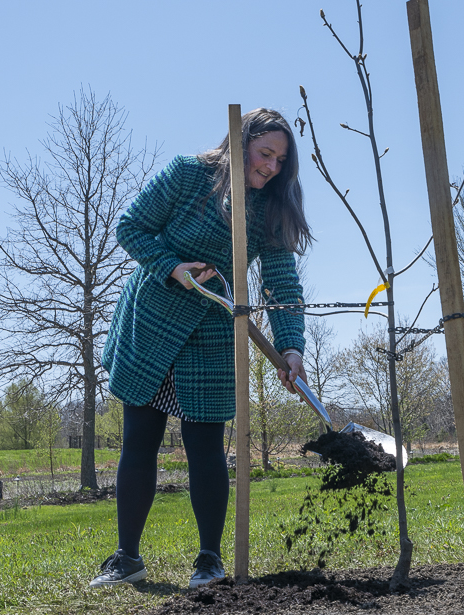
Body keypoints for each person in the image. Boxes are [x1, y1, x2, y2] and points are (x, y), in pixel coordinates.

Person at [90, 109, 312, 587]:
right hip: (152, 319)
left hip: (212, 330)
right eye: (264, 153)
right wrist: (172, 266)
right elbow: (131, 228)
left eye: (280, 159)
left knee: (205, 445)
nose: (271, 166)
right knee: (140, 438)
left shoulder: (272, 207)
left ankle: (208, 562)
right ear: (241, 144)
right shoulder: (187, 175)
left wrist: (291, 347)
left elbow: (281, 284)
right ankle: (127, 558)